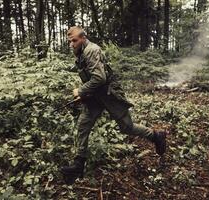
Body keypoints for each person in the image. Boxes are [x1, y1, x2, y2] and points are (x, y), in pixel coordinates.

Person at [61, 26, 167, 184]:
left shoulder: (91, 50)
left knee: (127, 127)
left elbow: (99, 79)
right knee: (83, 125)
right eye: (70, 41)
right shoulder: (81, 53)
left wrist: (81, 91)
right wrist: (84, 96)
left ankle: (156, 136)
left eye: (74, 40)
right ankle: (78, 165)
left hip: (110, 94)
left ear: (83, 38)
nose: (72, 44)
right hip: (95, 97)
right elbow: (91, 79)